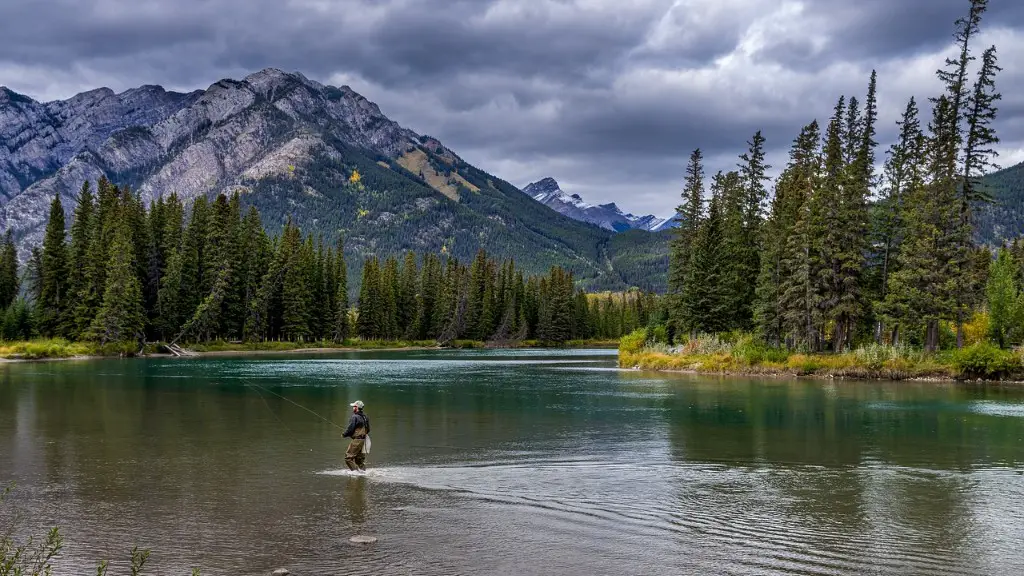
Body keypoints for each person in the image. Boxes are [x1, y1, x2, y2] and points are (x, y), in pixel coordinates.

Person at [342, 400, 370, 471]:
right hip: (364, 440)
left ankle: (355, 473)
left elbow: (350, 429)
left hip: (357, 440)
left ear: (357, 407)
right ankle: (364, 473)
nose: (353, 408)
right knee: (359, 460)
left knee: (348, 458)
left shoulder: (355, 417)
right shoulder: (365, 417)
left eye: (354, 406)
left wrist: (344, 434)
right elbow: (368, 429)